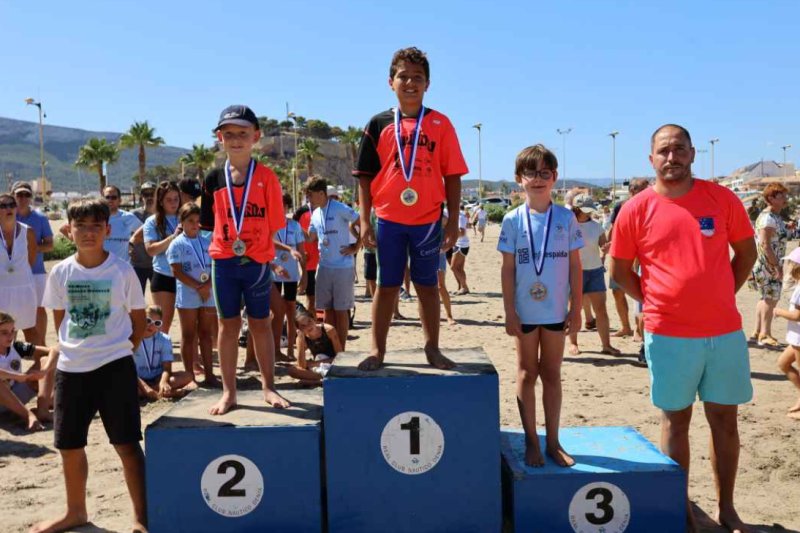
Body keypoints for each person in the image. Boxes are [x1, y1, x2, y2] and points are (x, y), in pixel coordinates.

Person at [610, 124, 757, 533]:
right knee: (676, 421)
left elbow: (747, 251)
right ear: (650, 158)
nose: (671, 157)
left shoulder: (721, 198)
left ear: (693, 153)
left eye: (678, 149)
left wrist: (724, 290)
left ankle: (727, 509)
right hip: (669, 333)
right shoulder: (636, 209)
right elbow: (619, 271)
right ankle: (682, 511)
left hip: (724, 331)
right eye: (663, 151)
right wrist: (656, 301)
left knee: (725, 420)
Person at [33, 198, 148, 533]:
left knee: (127, 444)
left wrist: (122, 350)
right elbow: (61, 319)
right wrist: (76, 351)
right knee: (69, 446)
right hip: (72, 370)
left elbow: (138, 321)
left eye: (96, 226)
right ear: (69, 230)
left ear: (107, 230)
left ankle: (141, 517)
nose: (87, 233)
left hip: (115, 366)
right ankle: (76, 512)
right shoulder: (61, 272)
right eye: (80, 226)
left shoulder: (122, 270)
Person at [354, 47, 468, 371]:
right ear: (391, 81)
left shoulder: (440, 123)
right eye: (403, 76)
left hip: (428, 220)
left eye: (418, 77)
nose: (410, 83)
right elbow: (364, 177)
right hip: (389, 219)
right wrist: (365, 220)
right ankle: (377, 350)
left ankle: (432, 348)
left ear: (427, 84)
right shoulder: (378, 124)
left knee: (428, 286)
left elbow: (453, 175)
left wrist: (453, 221)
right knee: (387, 286)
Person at [199, 104, 289, 415]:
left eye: (243, 133)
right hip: (224, 261)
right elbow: (209, 224)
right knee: (227, 325)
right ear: (219, 138)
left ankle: (269, 387)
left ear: (256, 137)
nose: (236, 139)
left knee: (261, 323)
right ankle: (229, 392)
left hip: (257, 262)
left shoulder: (267, 178)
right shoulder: (213, 178)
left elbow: (275, 222)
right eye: (229, 134)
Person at [499, 144, 583, 468]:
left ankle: (554, 441)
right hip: (524, 312)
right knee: (525, 372)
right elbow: (507, 269)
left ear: (555, 178)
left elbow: (576, 266)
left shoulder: (565, 217)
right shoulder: (512, 220)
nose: (538, 179)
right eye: (531, 173)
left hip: (555, 312)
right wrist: (509, 311)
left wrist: (576, 308)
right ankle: (531, 440)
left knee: (552, 373)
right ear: (519, 179)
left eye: (544, 173)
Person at [167, 202, 218, 386]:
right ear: (182, 221)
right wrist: (199, 287)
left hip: (208, 292)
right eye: (190, 221)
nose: (195, 225)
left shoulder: (207, 241)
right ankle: (190, 376)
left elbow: (215, 267)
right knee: (188, 335)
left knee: (206, 334)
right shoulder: (176, 244)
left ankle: (210, 374)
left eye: (197, 221)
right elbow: (177, 271)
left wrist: (207, 286)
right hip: (188, 294)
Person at [305, 177, 360, 350]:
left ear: (322, 194)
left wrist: (356, 246)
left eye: (311, 195)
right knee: (327, 309)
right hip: (324, 266)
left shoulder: (339, 208)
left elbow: (360, 221)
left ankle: (341, 349)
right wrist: (290, 226)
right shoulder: (314, 213)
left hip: (343, 267)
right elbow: (310, 238)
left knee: (341, 310)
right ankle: (331, 348)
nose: (309, 199)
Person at [567, 193, 619, 356]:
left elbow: (603, 245)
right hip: (574, 272)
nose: (587, 213)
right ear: (576, 208)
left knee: (601, 310)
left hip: (595, 271)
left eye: (589, 210)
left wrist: (606, 248)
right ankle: (573, 343)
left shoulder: (596, 226)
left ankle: (606, 345)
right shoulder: (568, 225)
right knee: (574, 310)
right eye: (584, 210)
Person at [606, 178, 649, 339]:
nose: (647, 192)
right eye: (642, 190)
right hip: (622, 253)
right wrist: (610, 245)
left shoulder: (651, 204)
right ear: (632, 191)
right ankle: (625, 326)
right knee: (617, 290)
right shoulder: (621, 207)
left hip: (641, 254)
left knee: (640, 289)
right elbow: (613, 228)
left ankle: (639, 328)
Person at [748, 183, 790, 346]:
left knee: (765, 298)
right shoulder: (768, 218)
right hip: (768, 265)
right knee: (771, 299)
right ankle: (765, 334)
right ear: (770, 199)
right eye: (781, 196)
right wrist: (776, 266)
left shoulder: (773, 217)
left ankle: (758, 331)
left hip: (766, 264)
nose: (785, 199)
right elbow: (765, 245)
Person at [0, 311, 55, 430]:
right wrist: (16, 376)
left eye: (12, 331)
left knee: (45, 360)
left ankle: (42, 411)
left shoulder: (16, 347)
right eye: (4, 333)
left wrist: (44, 371)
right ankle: (28, 416)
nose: (10, 336)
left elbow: (54, 351)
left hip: (14, 397)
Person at [13, 181, 53, 345]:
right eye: (19, 195)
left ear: (31, 197)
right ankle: (7, 347)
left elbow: (49, 244)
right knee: (9, 309)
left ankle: (40, 345)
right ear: (12, 196)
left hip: (35, 271)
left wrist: (31, 250)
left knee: (39, 308)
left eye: (26, 195)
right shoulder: (5, 216)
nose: (23, 198)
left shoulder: (40, 218)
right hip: (10, 273)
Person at [141, 181, 182, 333]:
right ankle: (159, 354)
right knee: (163, 325)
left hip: (187, 275)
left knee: (191, 324)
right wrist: (173, 237)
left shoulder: (186, 217)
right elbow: (150, 250)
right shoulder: (152, 221)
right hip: (164, 275)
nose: (173, 203)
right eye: (169, 200)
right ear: (161, 201)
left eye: (176, 199)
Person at [134, 305, 195, 400]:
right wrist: (145, 387)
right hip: (138, 379)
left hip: (157, 378)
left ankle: (154, 392)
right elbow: (130, 369)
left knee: (188, 376)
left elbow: (167, 368)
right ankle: (165, 393)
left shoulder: (165, 339)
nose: (151, 325)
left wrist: (163, 382)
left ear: (160, 325)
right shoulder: (133, 338)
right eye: (148, 321)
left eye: (156, 323)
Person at [272, 193, 306, 361]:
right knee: (275, 313)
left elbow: (301, 250)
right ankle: (276, 349)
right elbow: (269, 242)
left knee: (291, 311)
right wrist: (288, 249)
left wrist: (304, 273)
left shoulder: (295, 225)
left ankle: (291, 351)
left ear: (287, 207)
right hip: (274, 274)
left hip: (291, 274)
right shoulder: (270, 224)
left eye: (284, 205)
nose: (281, 208)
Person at [0, 193, 38, 337]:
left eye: (11, 205)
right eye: (3, 206)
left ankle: (38, 360)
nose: (8, 208)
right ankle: (7, 360)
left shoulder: (28, 231)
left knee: (30, 329)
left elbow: (31, 259)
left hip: (24, 289)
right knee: (4, 332)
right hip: (1, 289)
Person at [773, 247, 800, 420]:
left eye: (790, 263)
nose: (788, 267)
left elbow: (797, 316)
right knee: (783, 364)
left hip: (799, 337)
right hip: (795, 338)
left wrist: (779, 311)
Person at [284, 304, 343, 384]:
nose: (308, 326)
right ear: (299, 328)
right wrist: (301, 341)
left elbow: (340, 357)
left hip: (333, 365)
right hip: (319, 367)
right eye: (303, 325)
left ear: (314, 319)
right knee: (292, 370)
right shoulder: (301, 338)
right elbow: (302, 365)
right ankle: (322, 381)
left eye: (309, 321)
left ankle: (318, 381)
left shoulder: (329, 330)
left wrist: (314, 363)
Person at [129, 181, 157, 293]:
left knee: (160, 303)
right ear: (142, 197)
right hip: (137, 265)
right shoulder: (132, 215)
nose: (149, 197)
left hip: (157, 266)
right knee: (137, 302)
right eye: (146, 194)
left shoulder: (164, 215)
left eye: (152, 194)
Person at [294, 201, 320, 316]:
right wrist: (299, 249)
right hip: (308, 255)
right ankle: (312, 319)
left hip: (324, 255)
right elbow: (292, 229)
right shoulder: (301, 211)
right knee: (310, 291)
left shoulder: (325, 209)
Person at [450, 204, 471, 295]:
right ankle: (463, 287)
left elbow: (462, 232)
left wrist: (451, 234)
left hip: (461, 244)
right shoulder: (461, 215)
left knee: (453, 267)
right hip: (462, 244)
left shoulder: (460, 216)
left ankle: (465, 287)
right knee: (460, 268)